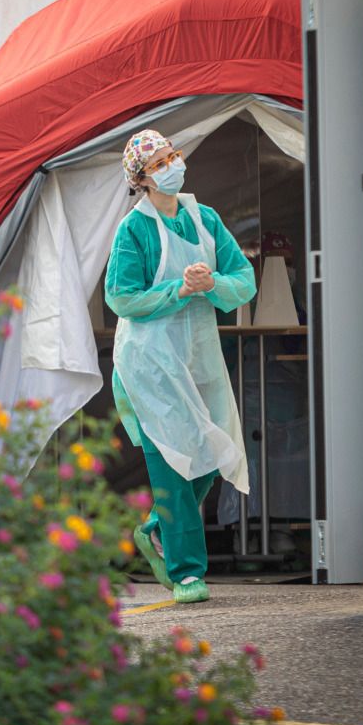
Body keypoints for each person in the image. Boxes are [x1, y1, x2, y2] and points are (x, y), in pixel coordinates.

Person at [105, 130, 256, 603]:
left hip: (198, 357)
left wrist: (211, 282)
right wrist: (179, 291)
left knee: (215, 452)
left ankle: (154, 527)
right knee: (172, 464)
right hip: (150, 365)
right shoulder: (134, 230)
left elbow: (244, 280)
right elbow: (121, 297)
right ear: (142, 179)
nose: (173, 164)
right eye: (160, 162)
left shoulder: (205, 219)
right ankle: (187, 571)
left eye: (173, 155)